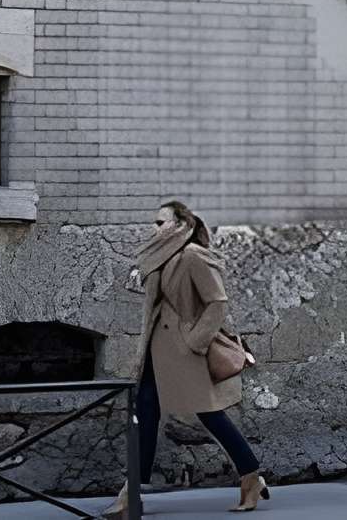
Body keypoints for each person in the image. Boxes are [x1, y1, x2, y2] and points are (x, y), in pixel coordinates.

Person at [114, 199, 266, 513]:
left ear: (181, 225)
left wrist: (195, 341)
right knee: (146, 409)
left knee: (209, 414)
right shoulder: (161, 256)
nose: (154, 228)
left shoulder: (192, 255)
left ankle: (251, 476)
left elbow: (217, 302)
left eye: (161, 222)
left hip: (185, 350)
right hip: (158, 350)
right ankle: (132, 492)